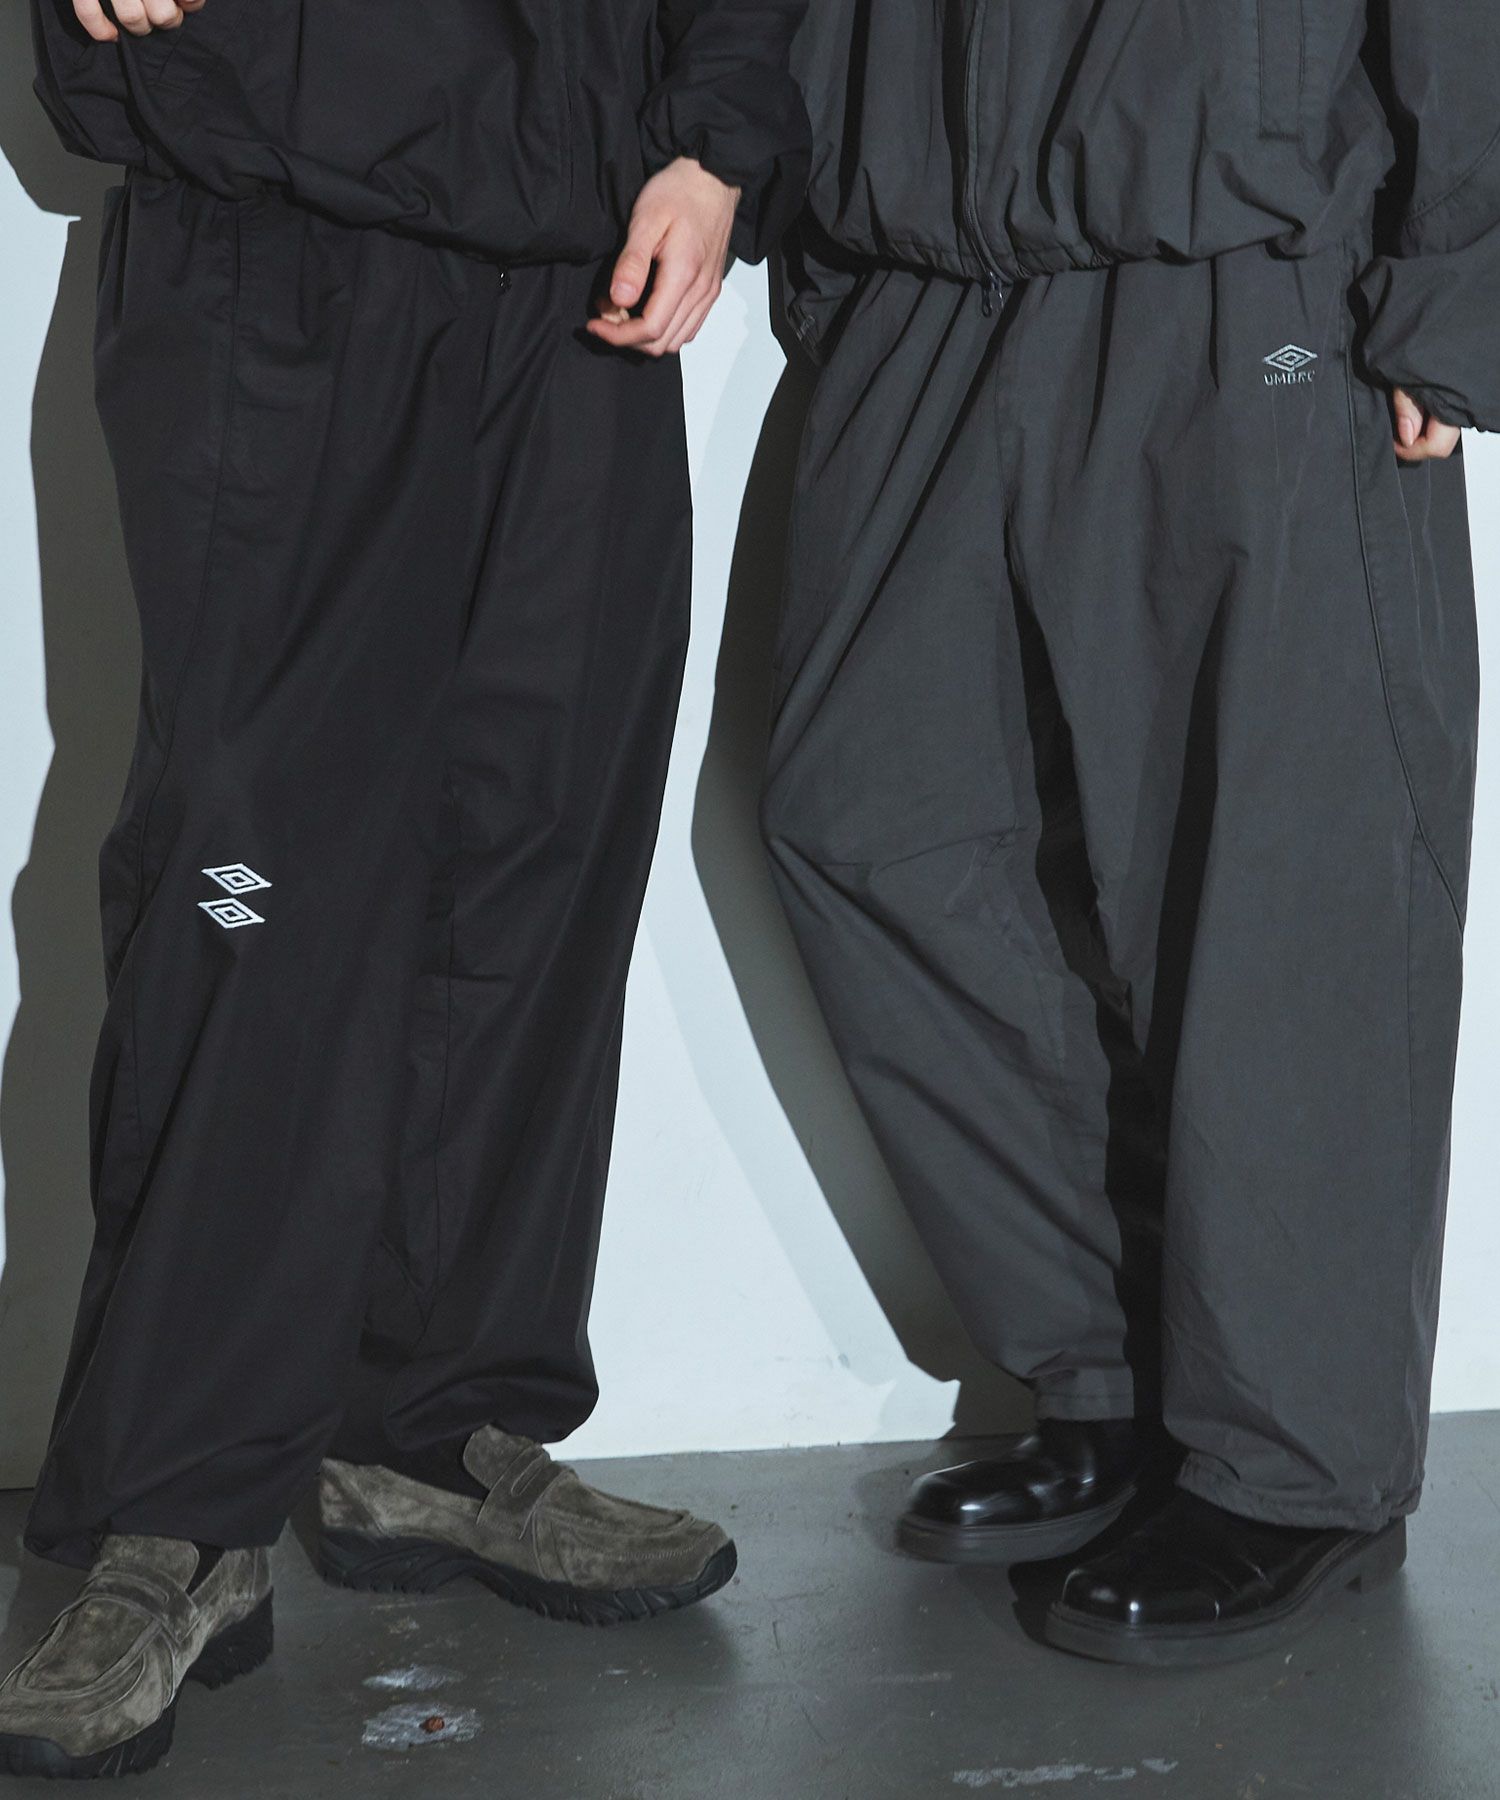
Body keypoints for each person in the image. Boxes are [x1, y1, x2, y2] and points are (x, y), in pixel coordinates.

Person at [0, 0, 807, 1778]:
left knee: (532, 859)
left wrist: (714, 141)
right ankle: (178, 1510)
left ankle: (434, 1435)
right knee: (250, 890)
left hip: (577, 241)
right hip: (274, 216)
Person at [765, 0, 1491, 1666]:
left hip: (1247, 255)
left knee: (1278, 866)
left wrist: (1465, 282)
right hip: (924, 264)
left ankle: (1298, 1463)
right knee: (871, 820)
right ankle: (1109, 1364)